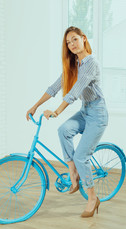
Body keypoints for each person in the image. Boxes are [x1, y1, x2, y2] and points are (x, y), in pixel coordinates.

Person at [26, 26, 108, 218]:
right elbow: (55, 87)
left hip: (98, 114)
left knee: (81, 156)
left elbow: (75, 91)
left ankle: (92, 198)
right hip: (85, 111)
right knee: (63, 130)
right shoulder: (73, 65)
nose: (71, 45)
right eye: (68, 43)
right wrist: (35, 105)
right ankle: (73, 172)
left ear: (84, 39)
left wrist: (56, 111)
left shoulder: (91, 63)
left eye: (74, 40)